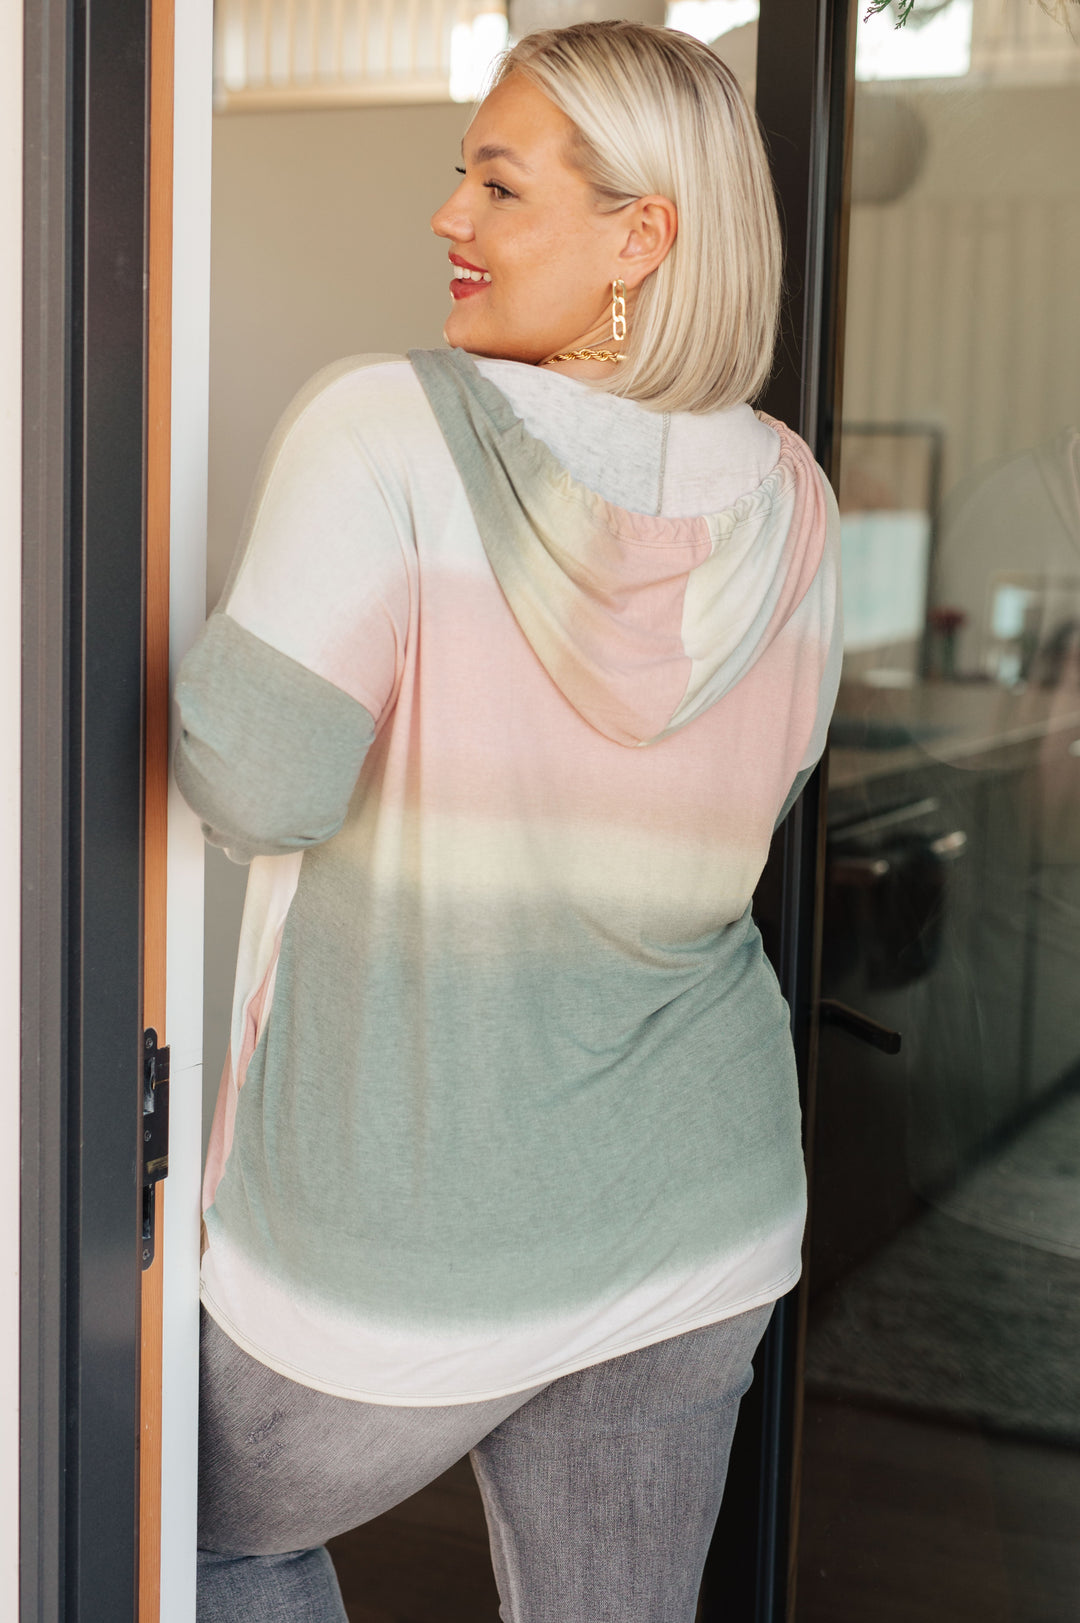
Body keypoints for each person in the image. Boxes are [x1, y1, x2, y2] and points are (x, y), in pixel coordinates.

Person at [176, 21, 842, 1623]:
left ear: (642, 236)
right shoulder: (793, 495)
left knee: (176, 1527)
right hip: (696, 1203)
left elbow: (256, 785)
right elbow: (759, 795)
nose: (447, 215)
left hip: (410, 1228)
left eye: (498, 184)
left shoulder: (385, 430)